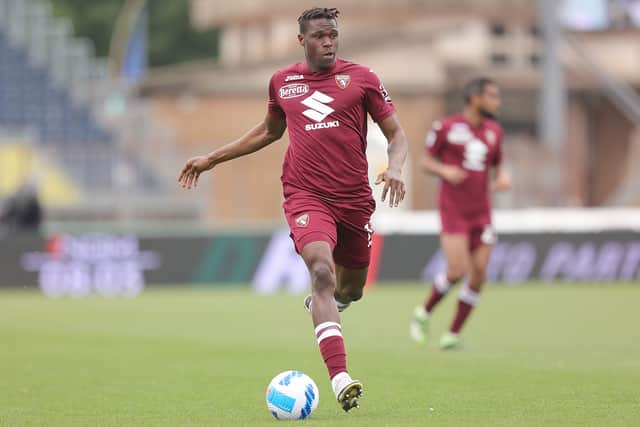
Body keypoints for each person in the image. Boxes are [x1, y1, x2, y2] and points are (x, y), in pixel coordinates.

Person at [178, 7, 408, 411]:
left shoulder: (362, 79)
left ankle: (332, 305)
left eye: (333, 34)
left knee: (350, 288)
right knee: (321, 270)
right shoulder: (283, 83)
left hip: (354, 199)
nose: (329, 42)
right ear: (302, 40)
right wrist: (212, 159)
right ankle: (340, 378)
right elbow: (269, 131)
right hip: (306, 195)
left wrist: (398, 167)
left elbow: (396, 134)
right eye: (320, 36)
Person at [410, 77, 512, 350]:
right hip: (454, 211)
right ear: (475, 98)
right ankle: (424, 312)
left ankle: (453, 333)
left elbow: (498, 164)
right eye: (492, 96)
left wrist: (502, 177)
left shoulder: (494, 131)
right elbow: (425, 161)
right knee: (457, 270)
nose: (496, 102)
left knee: (479, 274)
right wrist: (445, 171)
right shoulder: (445, 127)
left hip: (482, 212)